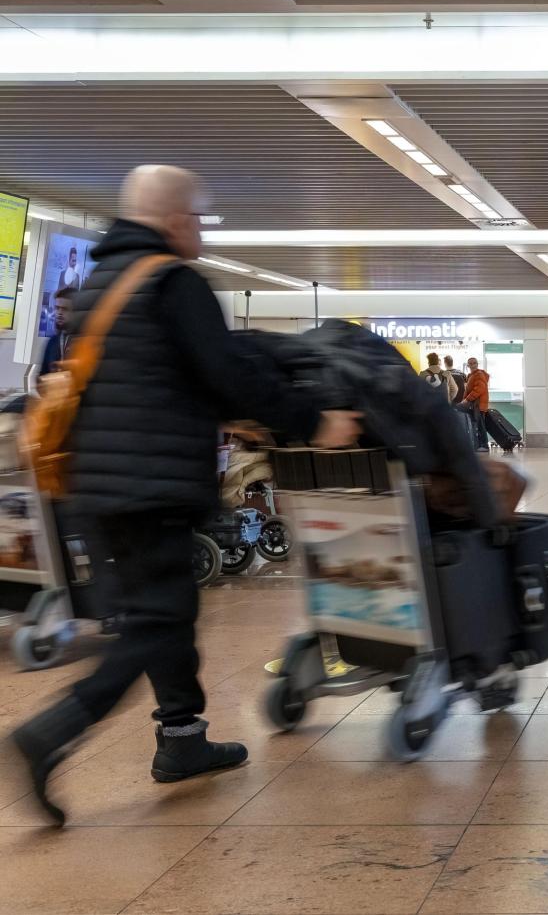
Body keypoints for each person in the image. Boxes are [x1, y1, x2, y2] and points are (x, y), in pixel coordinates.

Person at [8, 165, 362, 826]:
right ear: (174, 220)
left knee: (160, 614)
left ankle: (182, 739)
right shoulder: (174, 283)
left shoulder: (98, 286)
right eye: (198, 217)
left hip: (97, 485)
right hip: (152, 488)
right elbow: (226, 374)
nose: (200, 228)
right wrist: (315, 423)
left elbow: (158, 379)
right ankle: (51, 731)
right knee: (155, 623)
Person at [38, 287, 76, 377]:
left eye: (65, 309)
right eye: (57, 308)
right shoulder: (52, 342)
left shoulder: (84, 341)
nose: (59, 313)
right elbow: (43, 374)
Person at [460, 357, 490, 449]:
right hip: (475, 405)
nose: (472, 365)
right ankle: (478, 445)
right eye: (470, 363)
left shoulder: (479, 375)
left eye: (474, 363)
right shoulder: (471, 375)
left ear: (477, 364)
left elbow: (479, 389)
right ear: (468, 365)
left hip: (478, 405)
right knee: (477, 424)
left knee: (480, 425)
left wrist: (467, 399)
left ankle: (484, 445)